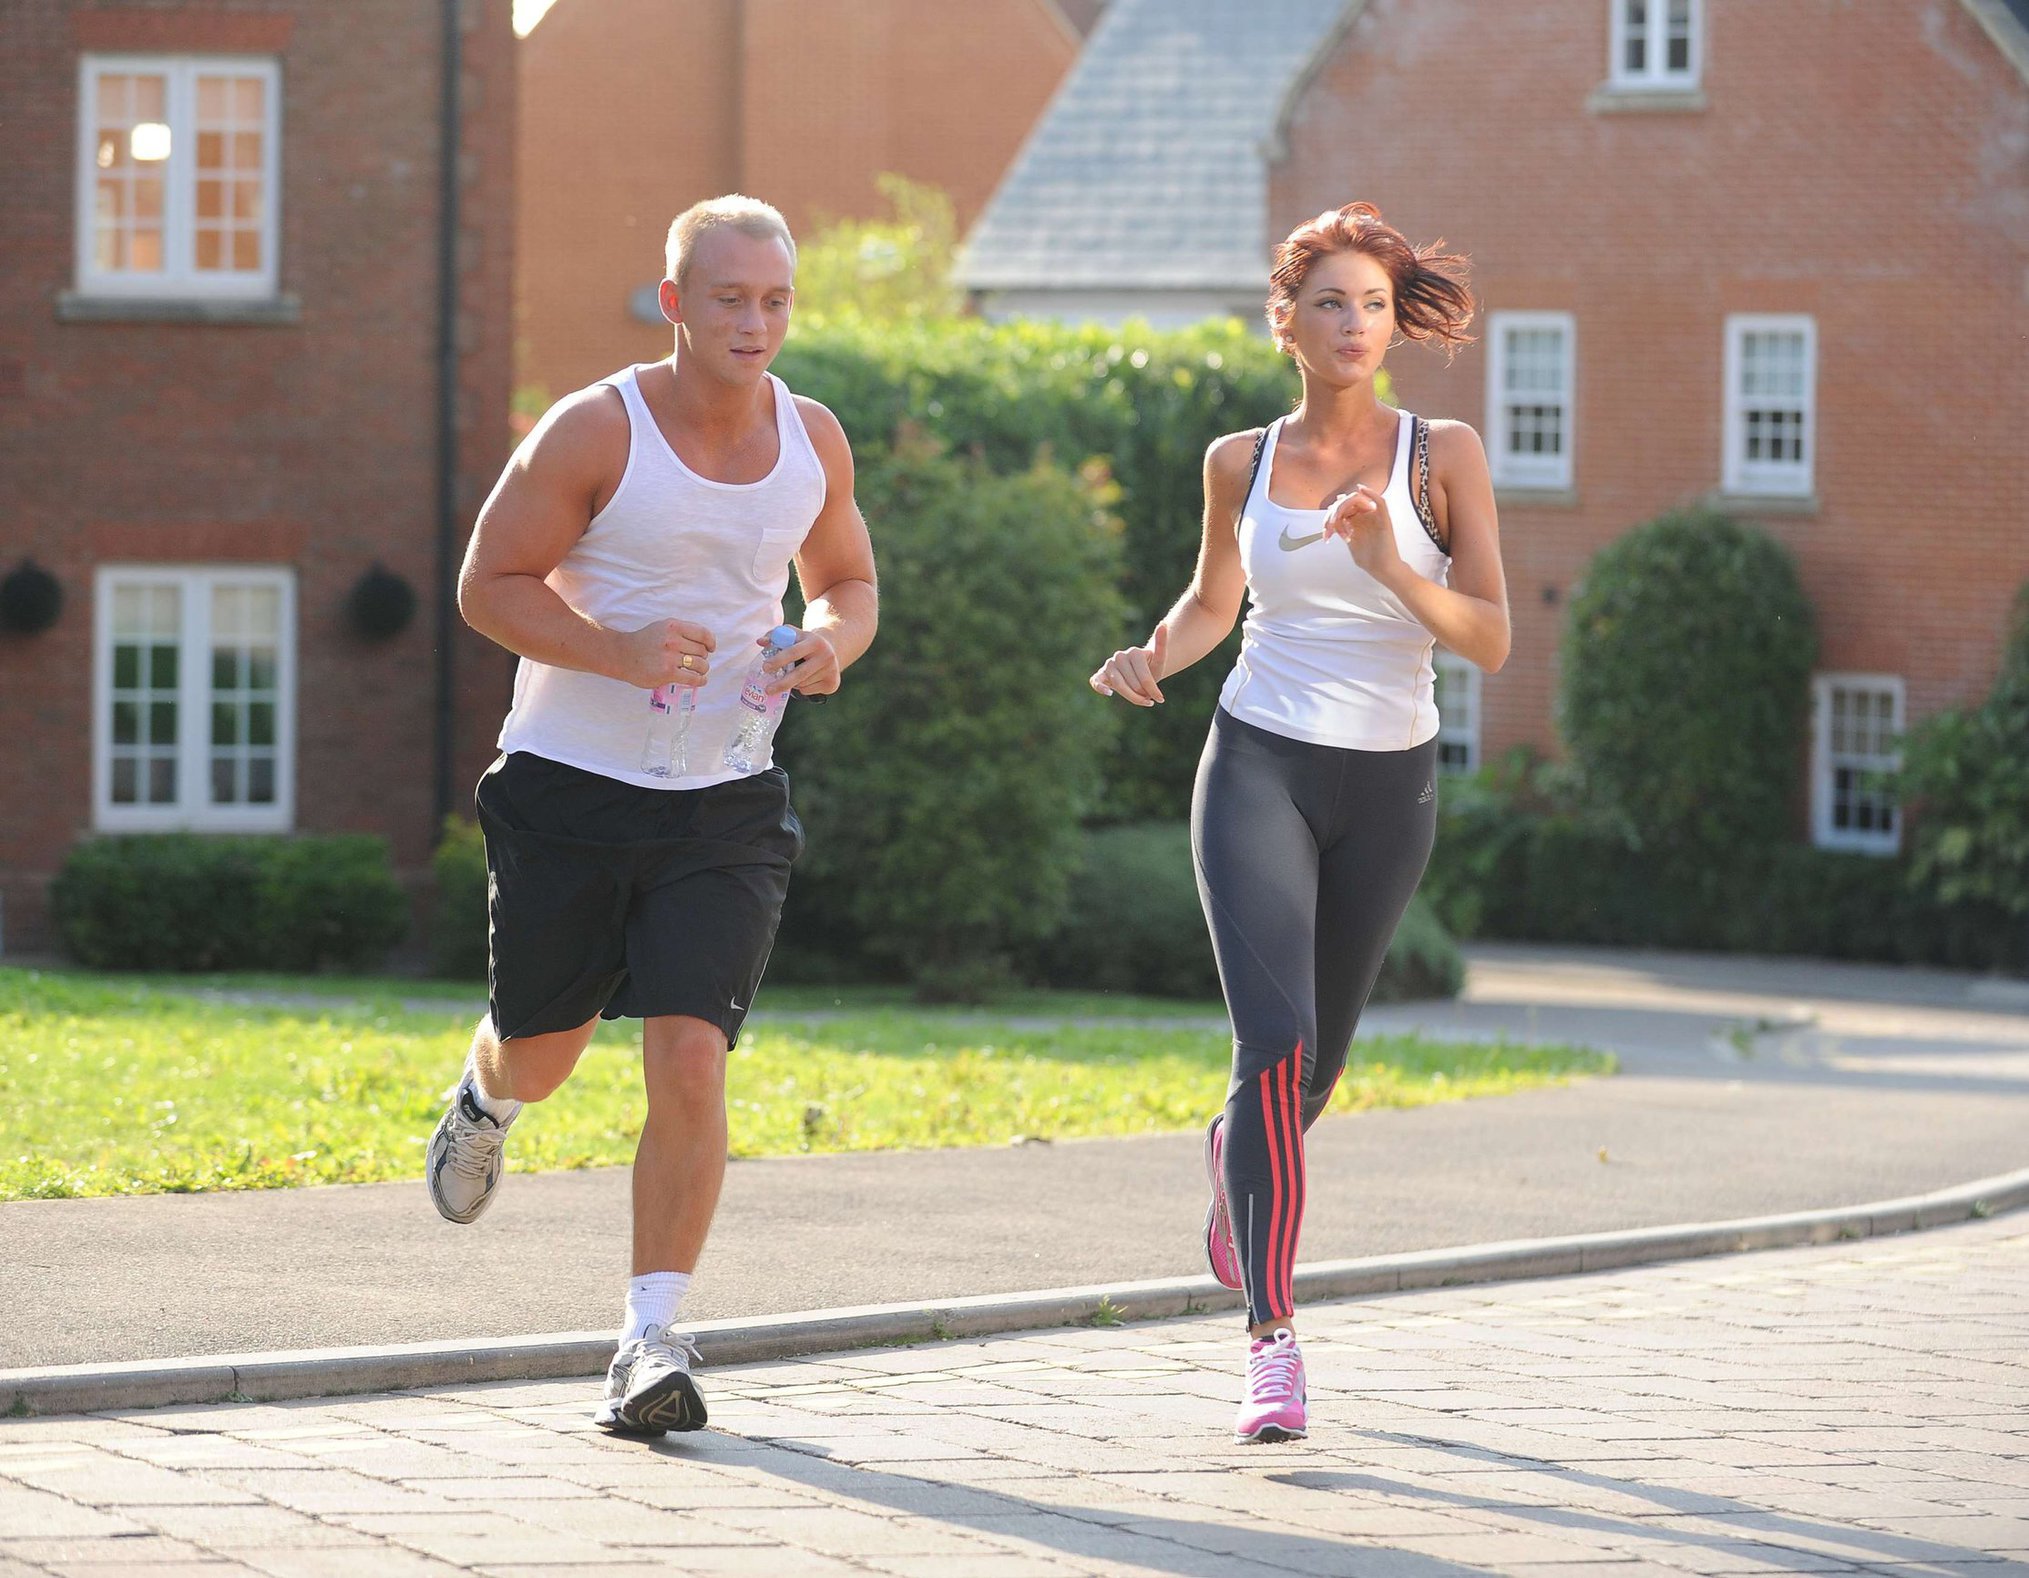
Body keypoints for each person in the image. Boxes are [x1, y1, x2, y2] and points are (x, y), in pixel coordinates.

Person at [425, 194, 877, 1437]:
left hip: (726, 794)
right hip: (569, 788)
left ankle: (649, 1340)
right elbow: (486, 584)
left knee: (689, 1054)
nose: (755, 323)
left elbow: (847, 579)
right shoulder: (594, 429)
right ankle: (486, 1098)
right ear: (675, 302)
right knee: (544, 1052)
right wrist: (615, 651)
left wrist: (830, 642)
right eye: (729, 298)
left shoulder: (812, 438)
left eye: (775, 301)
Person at [1090, 202, 1509, 1443]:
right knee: (1272, 1042)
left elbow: (1491, 637)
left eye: (1372, 304)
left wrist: (1391, 566)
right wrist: (1153, 655)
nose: (1353, 324)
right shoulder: (1240, 461)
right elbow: (1212, 600)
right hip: (1258, 760)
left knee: (1312, 1069)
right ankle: (1271, 1343)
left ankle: (1236, 1153)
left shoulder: (1441, 456)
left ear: (1393, 323)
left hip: (1388, 783)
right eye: (1329, 302)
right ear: (1286, 320)